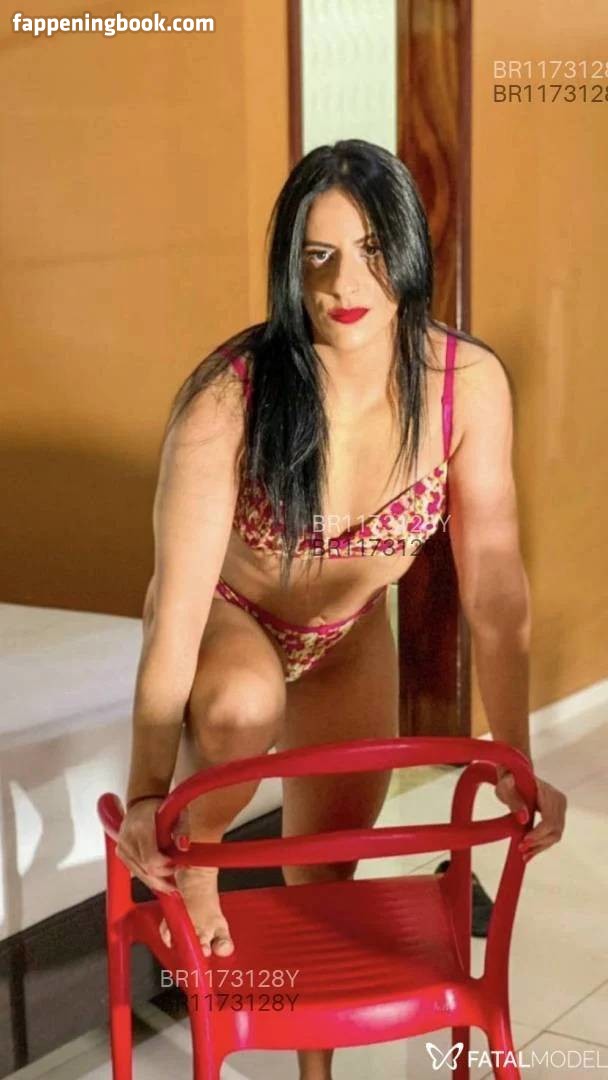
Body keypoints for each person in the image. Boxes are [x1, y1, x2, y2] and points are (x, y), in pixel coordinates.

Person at [117, 139, 567, 1080]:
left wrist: (515, 765)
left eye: (369, 250)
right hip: (232, 613)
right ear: (290, 265)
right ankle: (200, 858)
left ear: (408, 249)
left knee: (327, 869)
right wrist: (151, 793)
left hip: (350, 630)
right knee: (243, 704)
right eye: (317, 255)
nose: (343, 283)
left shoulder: (466, 386)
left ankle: (314, 1074)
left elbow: (495, 595)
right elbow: (176, 615)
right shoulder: (228, 398)